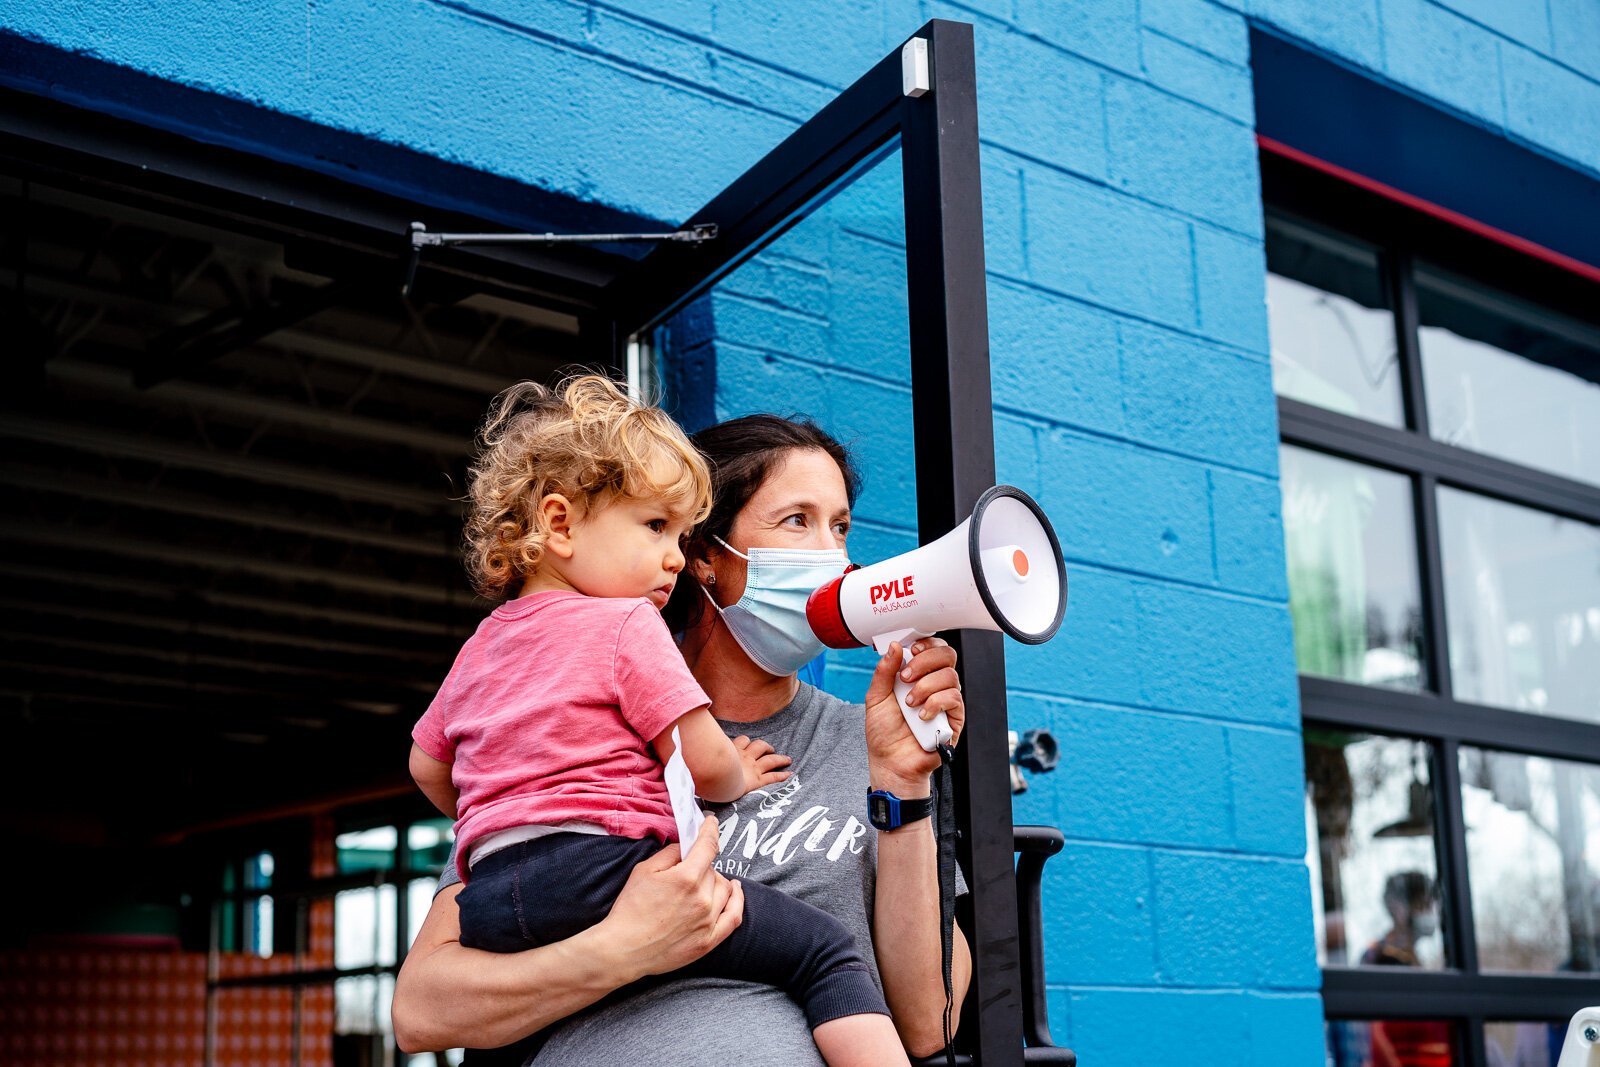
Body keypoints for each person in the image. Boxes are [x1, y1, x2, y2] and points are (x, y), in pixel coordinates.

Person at [392, 409, 972, 1065]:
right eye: (796, 521)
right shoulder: (565, 730)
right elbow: (421, 1012)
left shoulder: (862, 741)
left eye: (840, 527)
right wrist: (621, 947)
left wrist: (901, 784)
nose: (831, 556)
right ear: (702, 557)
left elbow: (930, 1025)